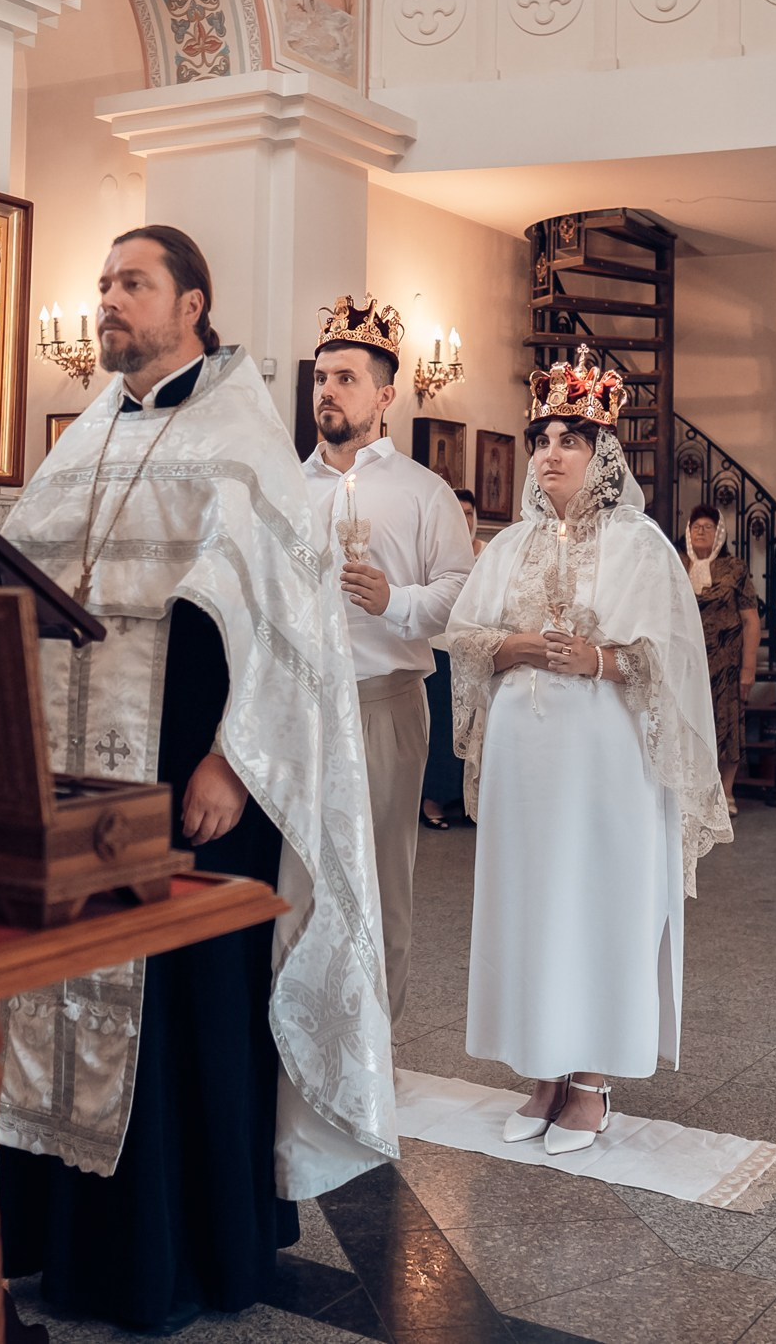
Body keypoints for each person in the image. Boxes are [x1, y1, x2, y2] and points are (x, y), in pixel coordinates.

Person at [0, 226, 395, 1332]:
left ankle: (176, 1259)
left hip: (195, 778)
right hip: (77, 781)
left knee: (183, 1012)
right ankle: (57, 1240)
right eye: (104, 283)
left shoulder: (243, 439)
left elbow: (289, 632)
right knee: (58, 993)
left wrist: (233, 759)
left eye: (132, 282)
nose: (109, 299)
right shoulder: (83, 438)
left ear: (191, 305)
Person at [447, 348, 729, 1156]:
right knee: (531, 901)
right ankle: (542, 1069)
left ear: (602, 453)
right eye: (541, 439)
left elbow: (670, 659)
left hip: (606, 762)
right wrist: (516, 645)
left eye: (569, 439)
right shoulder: (510, 545)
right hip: (524, 762)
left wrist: (599, 659)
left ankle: (593, 1078)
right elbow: (464, 636)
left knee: (599, 899)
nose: (550, 453)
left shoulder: (640, 546)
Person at [302, 296, 474, 1022]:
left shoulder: (422, 491)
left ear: (384, 395)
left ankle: (374, 1039)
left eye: (345, 378)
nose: (327, 391)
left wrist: (395, 601)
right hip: (302, 702)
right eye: (321, 378)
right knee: (301, 877)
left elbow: (461, 593)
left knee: (377, 880)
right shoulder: (289, 488)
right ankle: (302, 1038)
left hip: (384, 700)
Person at [686, 504, 761, 807]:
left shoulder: (734, 568)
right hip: (687, 662)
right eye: (696, 526)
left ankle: (725, 792)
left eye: (708, 527)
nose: (701, 531)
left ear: (719, 534)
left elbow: (751, 620)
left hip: (725, 662)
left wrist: (748, 668)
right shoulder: (677, 564)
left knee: (726, 724)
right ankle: (691, 790)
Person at [422, 489, 487, 832]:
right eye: (457, 513)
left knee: (474, 727)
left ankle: (465, 799)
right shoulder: (435, 552)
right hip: (441, 649)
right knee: (442, 728)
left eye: (469, 513)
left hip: (476, 652)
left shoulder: (487, 554)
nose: (464, 519)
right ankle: (432, 800)